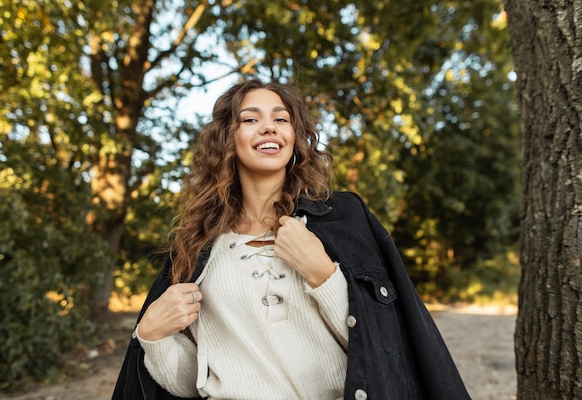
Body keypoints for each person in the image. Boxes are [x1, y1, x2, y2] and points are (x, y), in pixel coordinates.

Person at [112, 79, 471, 400]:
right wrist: (153, 336)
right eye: (250, 119)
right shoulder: (196, 246)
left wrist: (323, 275)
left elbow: (383, 352)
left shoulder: (345, 218)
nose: (268, 127)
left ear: (295, 138)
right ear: (227, 138)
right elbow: (193, 381)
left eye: (281, 119)